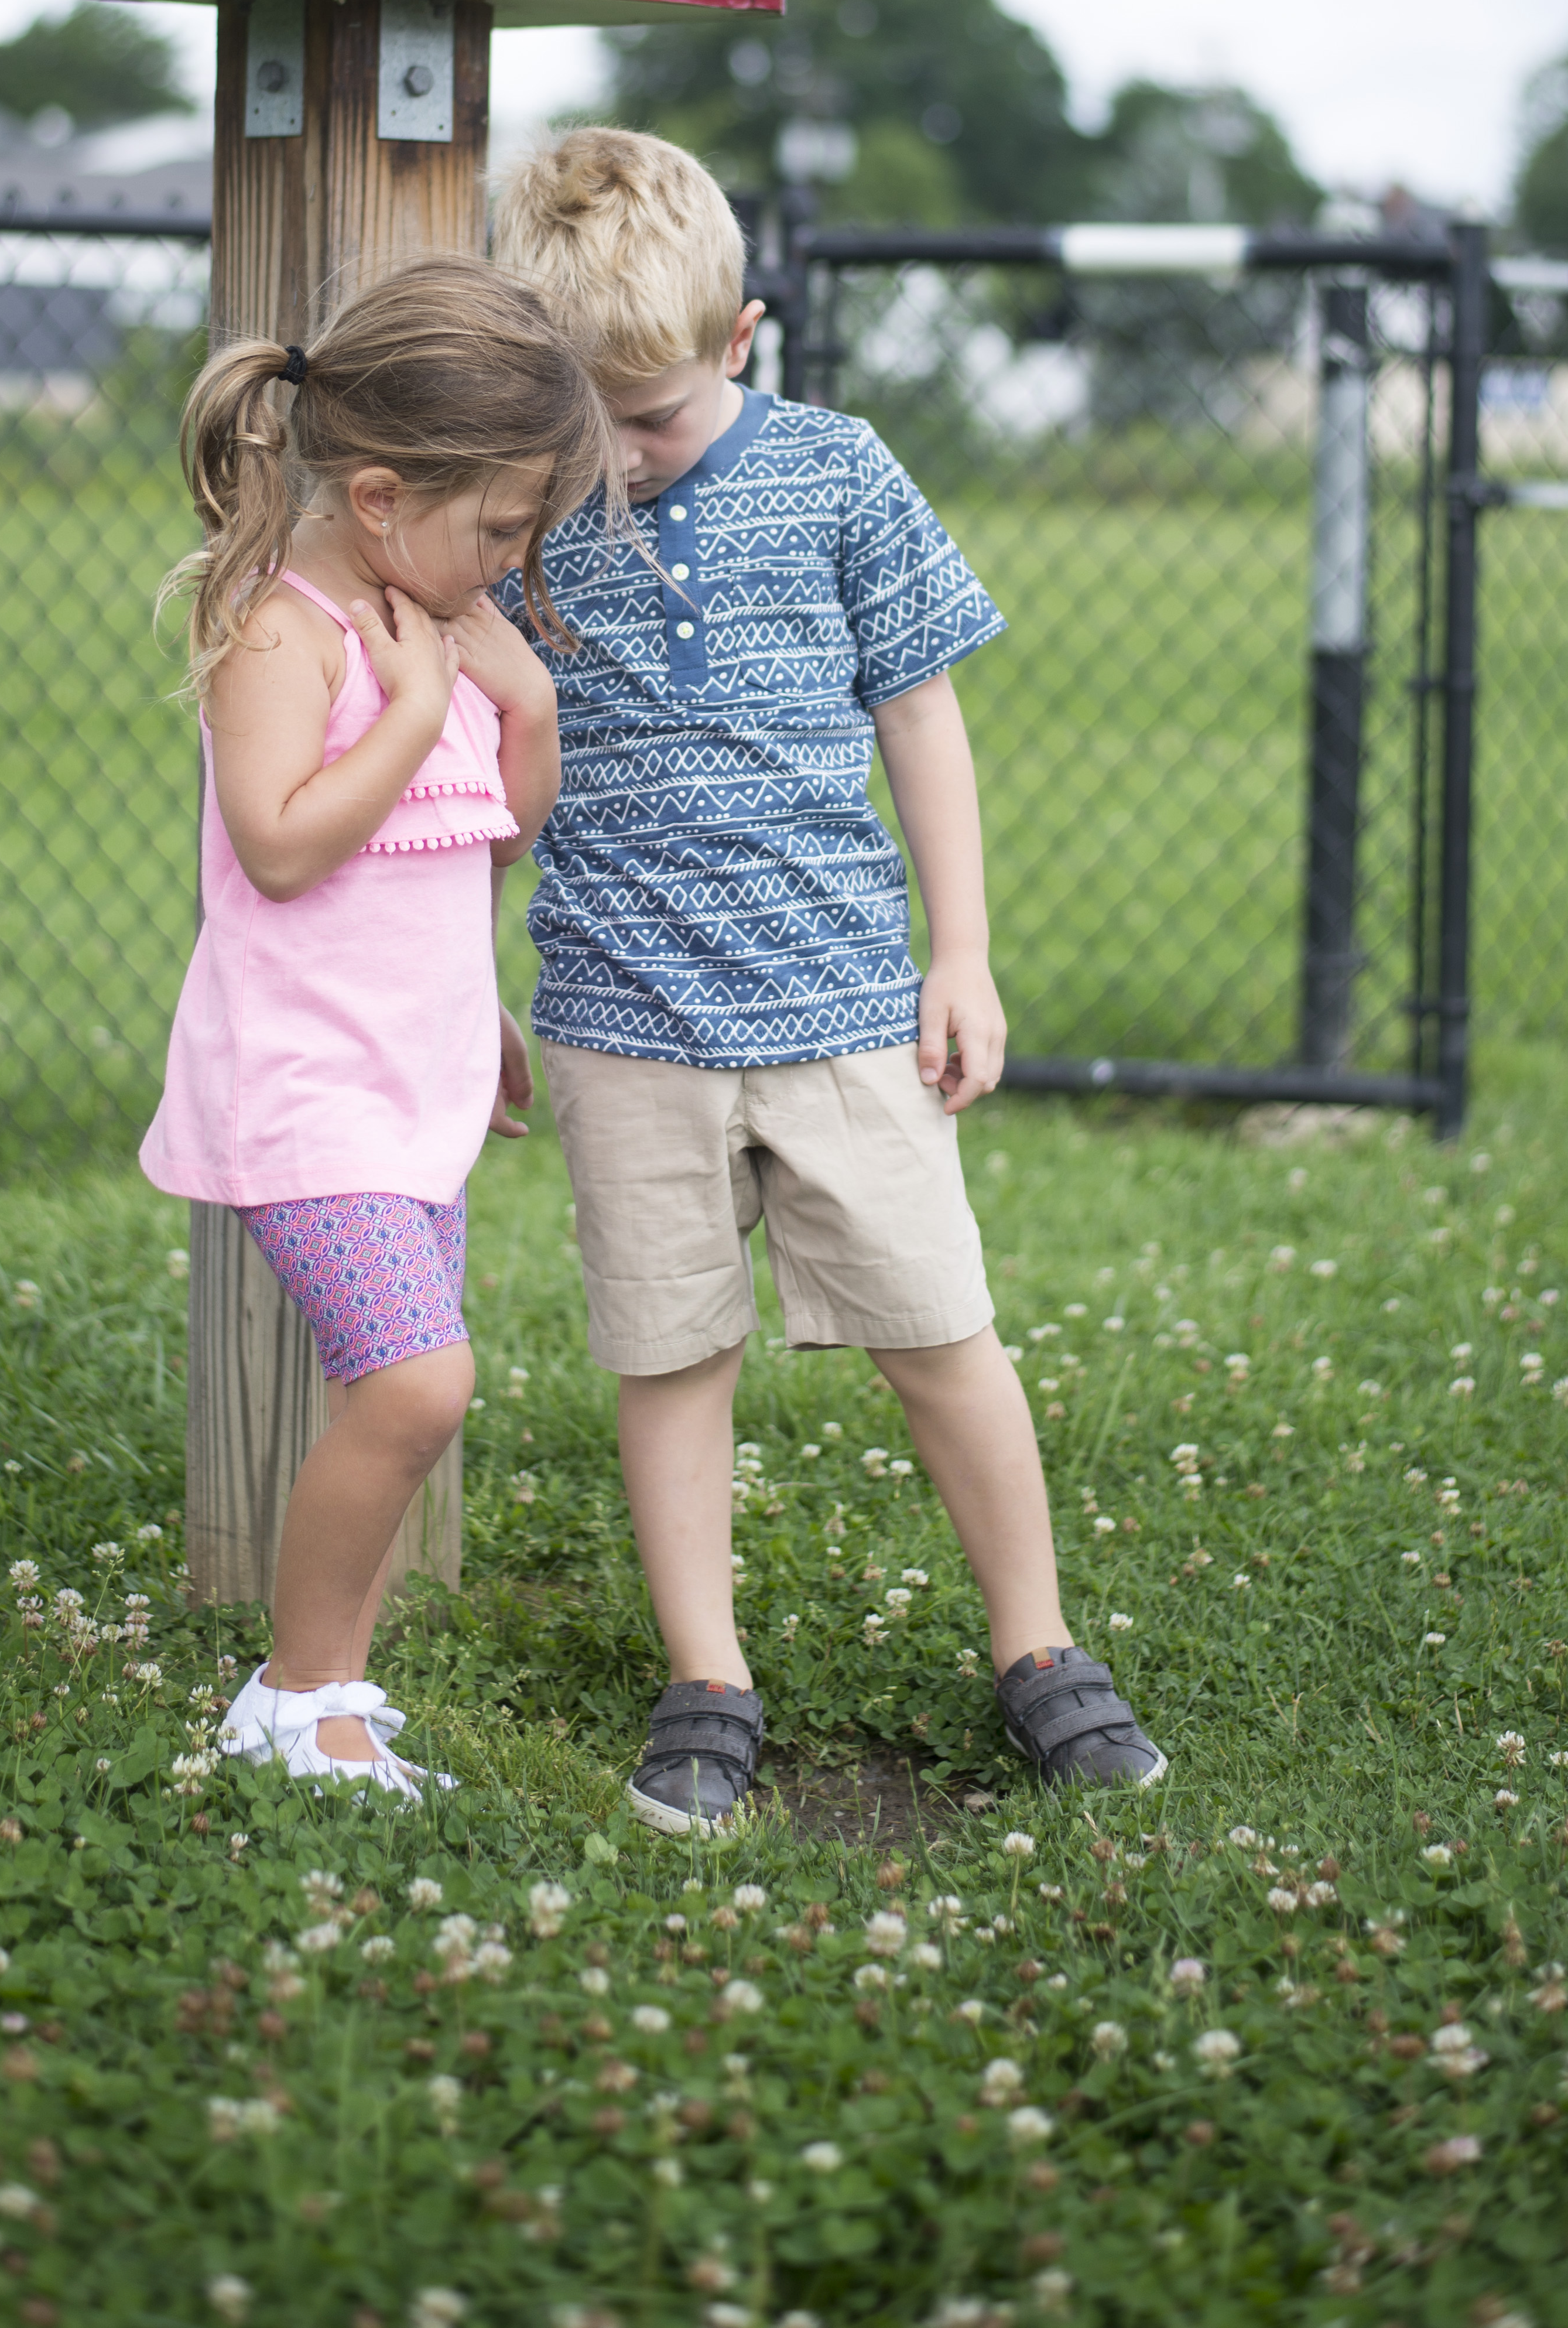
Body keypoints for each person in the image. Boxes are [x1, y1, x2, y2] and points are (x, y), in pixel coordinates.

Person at [494, 128, 1165, 1828]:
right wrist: (457, 988)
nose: (622, 454)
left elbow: (921, 712)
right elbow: (481, 767)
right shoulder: (517, 515)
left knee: (943, 1331)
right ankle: (708, 1681)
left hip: (844, 1010)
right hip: (621, 1023)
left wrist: (965, 953)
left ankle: (1040, 1652)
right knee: (668, 1355)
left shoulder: (845, 472)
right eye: (589, 416)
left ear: (743, 340)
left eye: (650, 415)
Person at [140, 254, 612, 1795]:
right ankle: (289, 1697)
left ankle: (334, 1696)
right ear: (386, 494)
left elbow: (485, 836)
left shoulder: (440, 620)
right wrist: (412, 711)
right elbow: (278, 844)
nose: (511, 561)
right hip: (302, 1091)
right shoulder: (290, 634)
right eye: (502, 529)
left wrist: (519, 709)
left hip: (412, 1082)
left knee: (394, 1389)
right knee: (418, 1385)